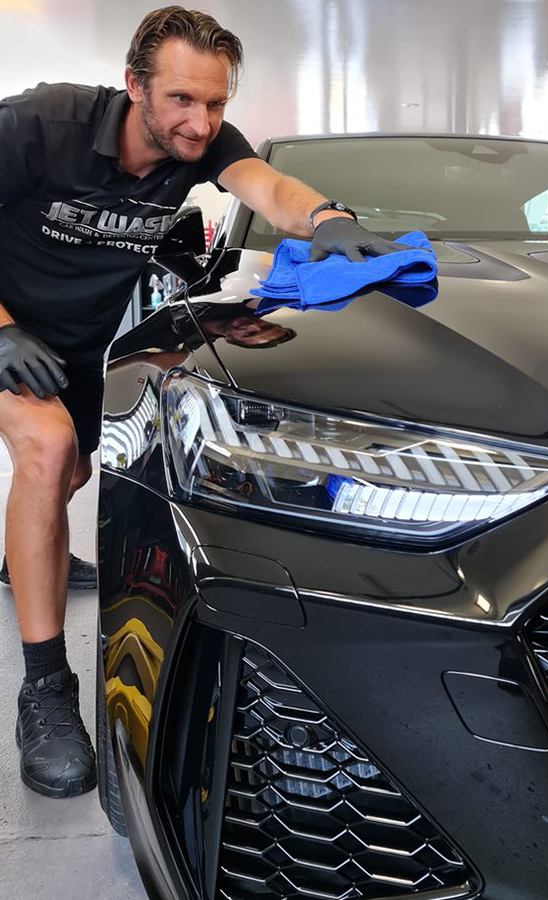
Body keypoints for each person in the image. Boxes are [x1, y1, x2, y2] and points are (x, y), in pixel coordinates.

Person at [0, 5, 408, 799]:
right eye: (182, 99)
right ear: (134, 85)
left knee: (68, 473)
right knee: (47, 451)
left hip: (76, 348)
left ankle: (23, 558)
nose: (201, 121)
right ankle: (45, 690)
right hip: (9, 326)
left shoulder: (205, 144)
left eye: (216, 103)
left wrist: (327, 219)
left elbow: (268, 185)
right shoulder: (40, 124)